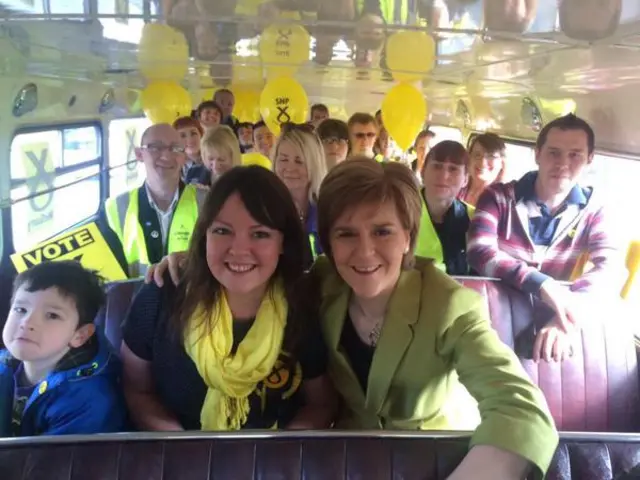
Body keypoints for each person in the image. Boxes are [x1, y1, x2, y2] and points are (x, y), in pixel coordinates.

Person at [312, 158, 558, 479]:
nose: (365, 251)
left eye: (382, 231)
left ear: (408, 236)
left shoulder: (450, 305)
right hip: (350, 459)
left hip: (433, 459)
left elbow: (523, 411)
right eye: (346, 234)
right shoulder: (322, 283)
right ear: (329, 242)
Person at [121, 166, 337, 431]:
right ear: (204, 235)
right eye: (222, 231)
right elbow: (136, 389)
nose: (238, 250)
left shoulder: (302, 305)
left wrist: (278, 455)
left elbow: (320, 403)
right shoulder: (162, 293)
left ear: (283, 242)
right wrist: (187, 452)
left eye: (260, 234)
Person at [467, 114, 624, 363]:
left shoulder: (595, 210)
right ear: (537, 154)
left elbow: (612, 269)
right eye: (554, 152)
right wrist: (542, 284)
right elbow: (479, 251)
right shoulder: (497, 198)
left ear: (589, 159)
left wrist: (568, 312)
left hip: (549, 325)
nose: (563, 163)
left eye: (575, 155)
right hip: (490, 317)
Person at [0, 261, 128, 436]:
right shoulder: (4, 365)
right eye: (21, 309)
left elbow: (56, 462)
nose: (27, 323)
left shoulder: (85, 400)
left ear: (80, 335)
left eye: (52, 315)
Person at [104, 123, 206, 278]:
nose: (166, 156)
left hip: (193, 298)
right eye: (155, 147)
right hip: (138, 299)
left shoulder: (206, 200)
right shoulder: (116, 208)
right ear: (139, 154)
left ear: (184, 157)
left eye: (175, 149)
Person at [415, 141, 474, 275]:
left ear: (465, 179)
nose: (444, 176)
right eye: (437, 166)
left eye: (453, 169)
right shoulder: (399, 209)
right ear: (423, 172)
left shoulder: (474, 218)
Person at [273, 123, 328, 263]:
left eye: (299, 161)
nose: (290, 168)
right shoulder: (264, 209)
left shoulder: (328, 210)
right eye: (284, 159)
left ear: (314, 164)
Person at [459, 133, 506, 206]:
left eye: (491, 156)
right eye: (477, 155)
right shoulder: (456, 187)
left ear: (502, 163)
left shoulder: (503, 200)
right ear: (469, 158)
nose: (482, 162)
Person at [172, 116, 208, 185]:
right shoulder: (174, 167)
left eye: (193, 133)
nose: (189, 140)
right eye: (182, 136)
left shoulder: (213, 160)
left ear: (201, 135)